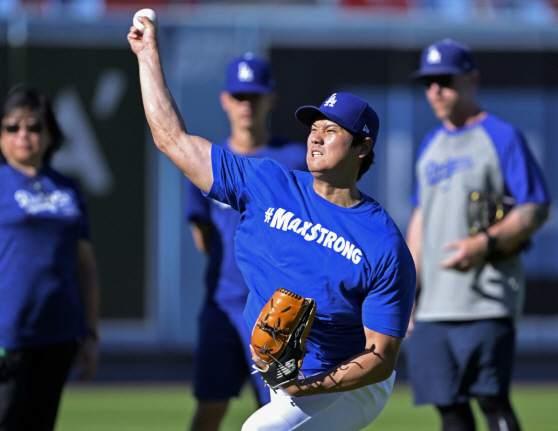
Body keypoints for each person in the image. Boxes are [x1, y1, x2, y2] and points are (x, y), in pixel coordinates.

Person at [129, 17, 415, 431]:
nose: (315, 137)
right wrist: (147, 55)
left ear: (362, 146)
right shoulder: (267, 182)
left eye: (331, 130)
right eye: (313, 128)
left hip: (351, 385)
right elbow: (172, 140)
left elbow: (380, 356)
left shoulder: (382, 243)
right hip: (288, 376)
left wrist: (308, 385)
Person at [404, 39, 551, 431]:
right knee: (448, 408)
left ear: (471, 80)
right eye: (428, 82)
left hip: (485, 297)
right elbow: (421, 219)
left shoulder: (501, 137)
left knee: (491, 400)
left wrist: (484, 242)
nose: (435, 90)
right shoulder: (430, 145)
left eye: (444, 80)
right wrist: (409, 291)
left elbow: (535, 206)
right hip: (434, 304)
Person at [184, 53, 307, 431]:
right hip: (223, 302)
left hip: (278, 306)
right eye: (239, 96)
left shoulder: (295, 160)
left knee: (279, 410)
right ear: (224, 99)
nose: (246, 104)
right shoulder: (210, 163)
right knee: (210, 406)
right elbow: (202, 235)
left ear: (271, 97)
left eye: (254, 95)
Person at [0, 85, 101, 431]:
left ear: (49, 134)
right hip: (8, 334)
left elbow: (85, 267)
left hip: (58, 332)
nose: (23, 135)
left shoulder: (67, 188)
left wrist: (90, 333)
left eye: (34, 126)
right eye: (13, 127)